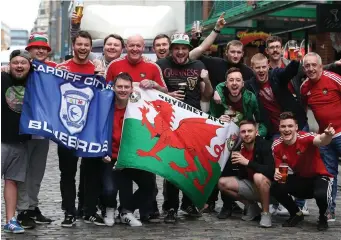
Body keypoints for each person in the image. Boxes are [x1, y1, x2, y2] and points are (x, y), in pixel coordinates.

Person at [156, 33, 213, 222]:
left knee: (190, 163)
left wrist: (206, 80)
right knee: (172, 165)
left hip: (192, 120)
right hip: (169, 122)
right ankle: (170, 206)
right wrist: (168, 94)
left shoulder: (198, 66)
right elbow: (152, 91)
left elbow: (207, 95)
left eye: (184, 48)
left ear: (189, 49)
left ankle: (188, 203)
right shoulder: (162, 65)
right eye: (177, 48)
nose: (180, 51)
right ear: (172, 49)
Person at [56, 31, 100, 227]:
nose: (83, 48)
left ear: (90, 47)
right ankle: (69, 212)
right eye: (79, 44)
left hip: (90, 130)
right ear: (73, 45)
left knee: (91, 172)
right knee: (68, 173)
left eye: (86, 45)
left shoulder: (98, 69)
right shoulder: (61, 68)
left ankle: (89, 210)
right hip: (66, 129)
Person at [103, 72, 157, 227]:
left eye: (126, 87)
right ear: (113, 88)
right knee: (109, 190)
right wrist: (102, 152)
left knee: (149, 186)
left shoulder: (138, 107)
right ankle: (109, 208)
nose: (123, 90)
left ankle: (126, 211)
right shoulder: (106, 107)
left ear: (131, 89)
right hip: (110, 157)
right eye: (119, 86)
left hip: (132, 157)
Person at [15, 33, 54, 230]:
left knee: (37, 173)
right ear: (29, 50)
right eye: (36, 48)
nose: (40, 51)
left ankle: (32, 206)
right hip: (24, 131)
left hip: (43, 132)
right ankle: (23, 210)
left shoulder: (54, 69)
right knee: (23, 172)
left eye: (44, 49)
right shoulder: (21, 69)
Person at [271, 111, 334, 231]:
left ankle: (323, 217)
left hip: (319, 177)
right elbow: (280, 169)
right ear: (279, 128)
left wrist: (328, 135)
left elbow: (321, 140)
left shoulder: (305, 137)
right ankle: (296, 213)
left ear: (296, 127)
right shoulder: (276, 145)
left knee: (321, 194)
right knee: (275, 186)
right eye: (283, 126)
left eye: (290, 126)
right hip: (301, 179)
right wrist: (277, 173)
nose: (286, 129)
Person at [300, 52, 341, 222]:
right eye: (307, 66)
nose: (310, 69)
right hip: (325, 137)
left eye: (313, 65)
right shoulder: (304, 88)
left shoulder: (334, 78)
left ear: (320, 66)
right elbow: (304, 109)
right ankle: (329, 210)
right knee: (329, 174)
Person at [218, 120, 274, 227]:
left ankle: (266, 213)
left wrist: (247, 162)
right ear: (240, 134)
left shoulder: (265, 145)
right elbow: (240, 175)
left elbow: (270, 171)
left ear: (256, 132)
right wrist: (234, 164)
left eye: (250, 131)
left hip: (271, 190)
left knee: (258, 177)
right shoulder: (239, 148)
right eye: (243, 132)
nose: (247, 134)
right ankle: (251, 206)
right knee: (222, 183)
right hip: (252, 185)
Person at [1, 50, 32, 234]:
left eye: (23, 63)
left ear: (30, 65)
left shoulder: (35, 81)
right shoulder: (2, 78)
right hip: (0, 140)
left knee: (12, 181)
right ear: (9, 64)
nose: (19, 66)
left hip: (20, 142)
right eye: (15, 62)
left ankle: (10, 220)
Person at [189, 13, 255, 89]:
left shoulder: (248, 72)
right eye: (232, 52)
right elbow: (194, 55)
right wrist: (195, 39)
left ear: (242, 54)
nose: (235, 55)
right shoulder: (215, 63)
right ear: (226, 52)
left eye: (238, 52)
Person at [211, 67, 267, 137]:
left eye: (238, 80)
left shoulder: (251, 98)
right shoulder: (218, 98)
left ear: (243, 84)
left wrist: (258, 134)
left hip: (244, 137)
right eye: (231, 80)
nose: (234, 83)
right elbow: (209, 119)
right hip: (223, 136)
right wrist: (218, 121)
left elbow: (261, 122)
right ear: (226, 84)